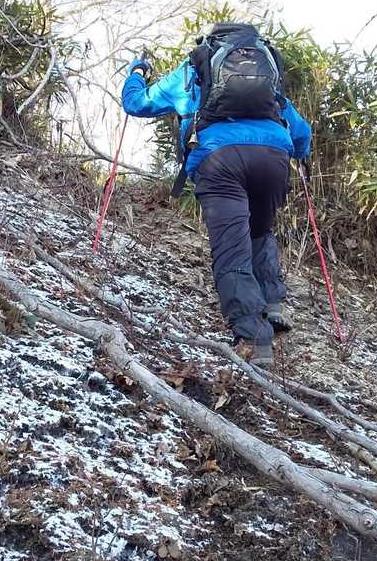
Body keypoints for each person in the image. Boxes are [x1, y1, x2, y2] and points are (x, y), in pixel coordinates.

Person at [122, 22, 312, 367]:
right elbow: (302, 132)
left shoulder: (194, 69)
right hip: (273, 159)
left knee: (231, 247)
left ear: (211, 42)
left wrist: (137, 71)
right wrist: (297, 152)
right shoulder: (266, 75)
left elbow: (137, 103)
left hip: (219, 159)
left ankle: (254, 340)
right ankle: (272, 305)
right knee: (260, 230)